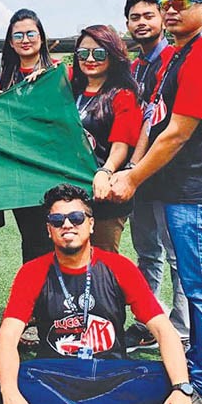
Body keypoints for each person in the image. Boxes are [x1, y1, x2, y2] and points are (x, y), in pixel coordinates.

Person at [110, 0, 202, 404]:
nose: (169, 11)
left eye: (180, 3)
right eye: (165, 3)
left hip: (199, 190)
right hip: (182, 189)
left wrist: (131, 178)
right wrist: (132, 168)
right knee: (196, 283)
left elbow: (177, 134)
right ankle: (198, 370)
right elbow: (154, 120)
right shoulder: (179, 55)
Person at [0, 184, 192, 404]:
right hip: (59, 374)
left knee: (164, 376)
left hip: (110, 372)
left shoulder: (119, 267)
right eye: (57, 220)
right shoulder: (33, 271)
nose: (67, 225)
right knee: (11, 379)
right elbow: (7, 338)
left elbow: (163, 330)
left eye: (76, 218)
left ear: (90, 224)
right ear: (48, 229)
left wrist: (181, 388)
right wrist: (10, 393)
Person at [121, 0, 187, 352]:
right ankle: (147, 323)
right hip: (139, 174)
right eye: (135, 17)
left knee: (177, 256)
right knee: (147, 252)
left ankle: (181, 329)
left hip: (168, 173)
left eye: (149, 15)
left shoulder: (174, 59)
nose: (142, 23)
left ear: (162, 18)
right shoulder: (135, 67)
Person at [0, 9, 56, 347]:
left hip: (52, 176)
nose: (25, 40)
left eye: (31, 33)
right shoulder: (6, 78)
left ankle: (57, 311)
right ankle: (35, 312)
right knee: (32, 242)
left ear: (41, 37)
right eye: (18, 35)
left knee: (57, 242)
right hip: (20, 179)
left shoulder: (58, 73)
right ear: (10, 41)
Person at [69, 25, 141, 253]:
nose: (90, 59)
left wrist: (105, 172)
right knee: (69, 257)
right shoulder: (71, 90)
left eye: (99, 53)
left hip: (104, 195)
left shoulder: (123, 95)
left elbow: (121, 146)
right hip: (71, 192)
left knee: (102, 258)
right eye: (83, 53)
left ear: (113, 55)